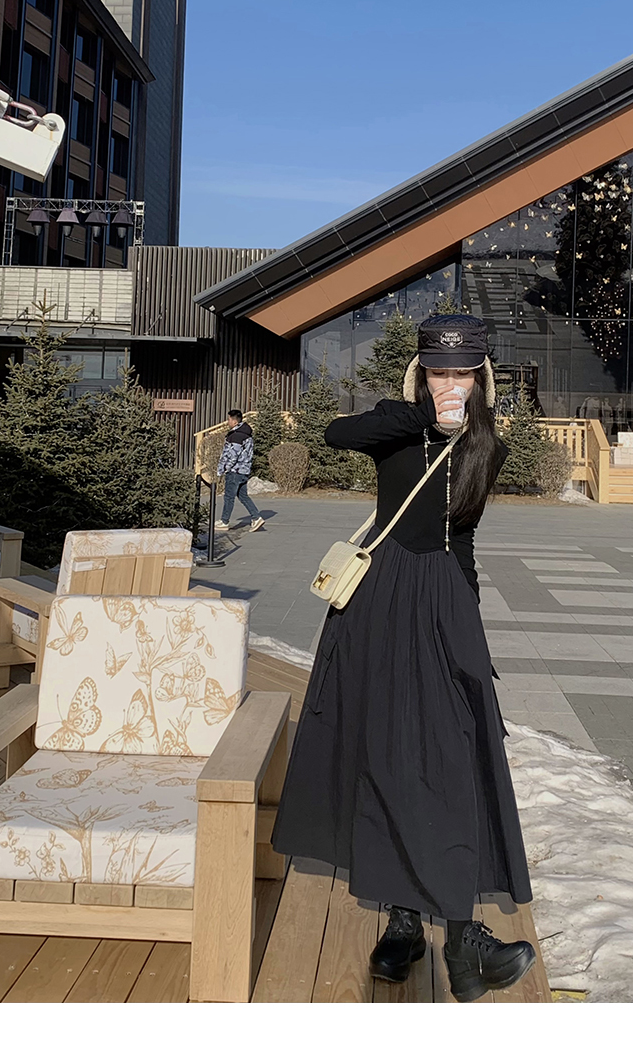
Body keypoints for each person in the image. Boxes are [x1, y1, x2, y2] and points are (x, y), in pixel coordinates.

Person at [271, 314, 535, 1003]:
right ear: (421, 373)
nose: (451, 383)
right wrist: (423, 419)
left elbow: (462, 540)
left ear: (480, 379)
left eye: (463, 373)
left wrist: (469, 623)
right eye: (439, 371)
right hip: (379, 601)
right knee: (383, 750)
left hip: (443, 599)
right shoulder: (395, 422)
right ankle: (404, 924)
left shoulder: (488, 445)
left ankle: (460, 934)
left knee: (450, 753)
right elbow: (337, 434)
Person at [214, 409, 265, 532]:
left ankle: (224, 521)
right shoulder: (247, 434)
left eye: (229, 419)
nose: (227, 422)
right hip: (244, 471)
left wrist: (225, 468)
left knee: (229, 497)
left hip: (235, 471)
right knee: (243, 496)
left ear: (235, 421)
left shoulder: (236, 436)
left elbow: (233, 455)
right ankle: (256, 517)